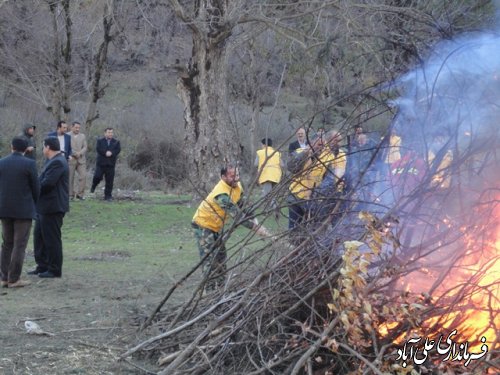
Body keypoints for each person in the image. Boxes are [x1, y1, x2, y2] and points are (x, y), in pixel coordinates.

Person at [192, 164, 271, 291]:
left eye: (237, 175)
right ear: (223, 177)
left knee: (221, 257)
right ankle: (209, 292)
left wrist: (255, 220)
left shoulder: (237, 186)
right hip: (203, 226)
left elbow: (243, 205)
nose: (236, 178)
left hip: (216, 226)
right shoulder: (221, 194)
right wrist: (256, 229)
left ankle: (221, 289)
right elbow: (238, 216)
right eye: (232, 176)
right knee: (210, 261)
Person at [0, 137, 39, 288]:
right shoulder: (29, 164)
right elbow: (36, 188)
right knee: (19, 244)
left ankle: (3, 277)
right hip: (23, 210)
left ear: (12, 147)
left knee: (7, 244)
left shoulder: (2, 162)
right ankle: (14, 279)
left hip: (4, 209)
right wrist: (35, 205)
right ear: (25, 149)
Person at [29, 137, 69, 278]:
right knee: (39, 237)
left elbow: (47, 183)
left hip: (53, 206)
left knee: (52, 239)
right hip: (44, 206)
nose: (42, 149)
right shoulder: (52, 161)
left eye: (43, 146)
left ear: (48, 147)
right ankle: (42, 265)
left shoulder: (58, 162)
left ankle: (54, 269)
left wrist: (32, 188)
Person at [90, 128, 121, 201]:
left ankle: (108, 196)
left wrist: (112, 153)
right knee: (97, 176)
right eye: (109, 132)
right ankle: (94, 185)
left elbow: (118, 150)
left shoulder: (116, 142)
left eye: (111, 132)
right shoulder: (100, 141)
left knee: (109, 181)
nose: (110, 134)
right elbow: (98, 149)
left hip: (111, 164)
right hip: (101, 164)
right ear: (105, 133)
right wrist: (105, 153)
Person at [68, 121, 88, 200]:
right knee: (70, 178)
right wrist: (74, 153)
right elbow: (67, 147)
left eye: (79, 128)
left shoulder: (82, 136)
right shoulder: (67, 135)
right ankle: (70, 195)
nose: (77, 129)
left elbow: (85, 147)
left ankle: (80, 195)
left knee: (83, 176)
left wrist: (80, 153)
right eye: (76, 127)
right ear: (72, 127)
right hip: (71, 159)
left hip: (81, 159)